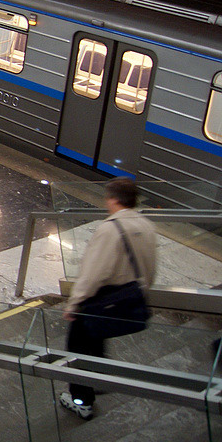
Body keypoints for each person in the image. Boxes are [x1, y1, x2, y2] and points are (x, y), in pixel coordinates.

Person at [60, 177, 156, 420]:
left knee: (78, 349)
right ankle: (99, 379)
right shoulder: (146, 225)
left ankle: (81, 400)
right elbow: (151, 268)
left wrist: (74, 304)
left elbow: (93, 274)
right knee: (98, 340)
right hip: (129, 296)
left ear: (113, 199)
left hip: (101, 298)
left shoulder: (109, 229)